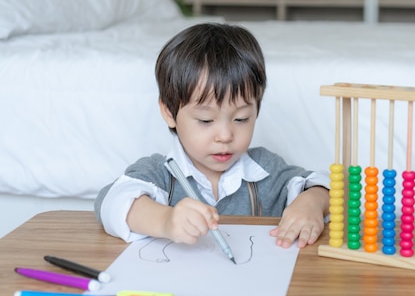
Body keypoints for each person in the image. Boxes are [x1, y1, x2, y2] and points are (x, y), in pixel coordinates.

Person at [95, 23, 329, 249]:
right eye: (206, 121)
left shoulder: (266, 170)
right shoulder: (160, 174)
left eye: (241, 119)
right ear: (169, 112)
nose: (225, 135)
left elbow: (329, 187)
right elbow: (111, 202)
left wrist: (313, 202)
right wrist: (166, 221)